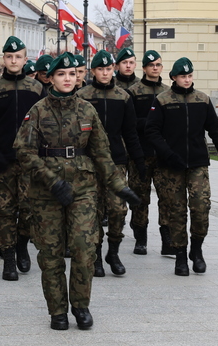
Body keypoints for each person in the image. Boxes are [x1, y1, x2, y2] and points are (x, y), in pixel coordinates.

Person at [13, 52, 139, 330]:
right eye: (61, 74)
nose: (68, 79)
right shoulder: (38, 110)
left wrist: (120, 187)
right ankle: (57, 311)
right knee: (51, 253)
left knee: (84, 249)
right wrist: (51, 181)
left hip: (82, 189)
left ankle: (81, 306)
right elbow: (23, 151)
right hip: (47, 193)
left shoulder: (87, 110)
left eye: (73, 74)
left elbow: (102, 154)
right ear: (51, 78)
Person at [145, 57, 218, 275]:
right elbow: (151, 131)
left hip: (197, 164)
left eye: (190, 76)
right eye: (183, 76)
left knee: (201, 207)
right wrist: (167, 154)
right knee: (175, 212)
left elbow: (216, 131)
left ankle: (197, 249)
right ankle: (180, 255)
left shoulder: (202, 100)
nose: (187, 80)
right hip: (170, 166)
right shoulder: (163, 100)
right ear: (174, 77)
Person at [0, 36, 45, 281]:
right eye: (9, 56)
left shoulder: (36, 89)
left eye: (18, 57)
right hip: (1, 162)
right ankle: (9, 257)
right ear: (4, 59)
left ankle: (22, 243)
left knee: (28, 210)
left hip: (29, 162)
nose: (14, 61)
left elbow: (46, 125)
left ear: (25, 60)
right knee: (4, 211)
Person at [77, 50, 144, 277]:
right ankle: (95, 255)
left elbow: (130, 132)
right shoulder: (82, 96)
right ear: (93, 71)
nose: (105, 73)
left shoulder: (123, 97)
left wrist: (139, 161)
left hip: (116, 161)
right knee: (94, 211)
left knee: (117, 210)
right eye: (100, 69)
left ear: (112, 69)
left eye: (108, 69)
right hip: (89, 162)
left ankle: (113, 251)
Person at [126, 50, 169, 255]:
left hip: (162, 154)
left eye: (158, 65)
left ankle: (166, 238)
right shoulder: (134, 92)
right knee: (139, 197)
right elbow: (129, 124)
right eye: (151, 65)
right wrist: (148, 124)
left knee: (167, 197)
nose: (155, 68)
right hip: (141, 154)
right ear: (144, 68)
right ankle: (140, 238)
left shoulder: (168, 92)